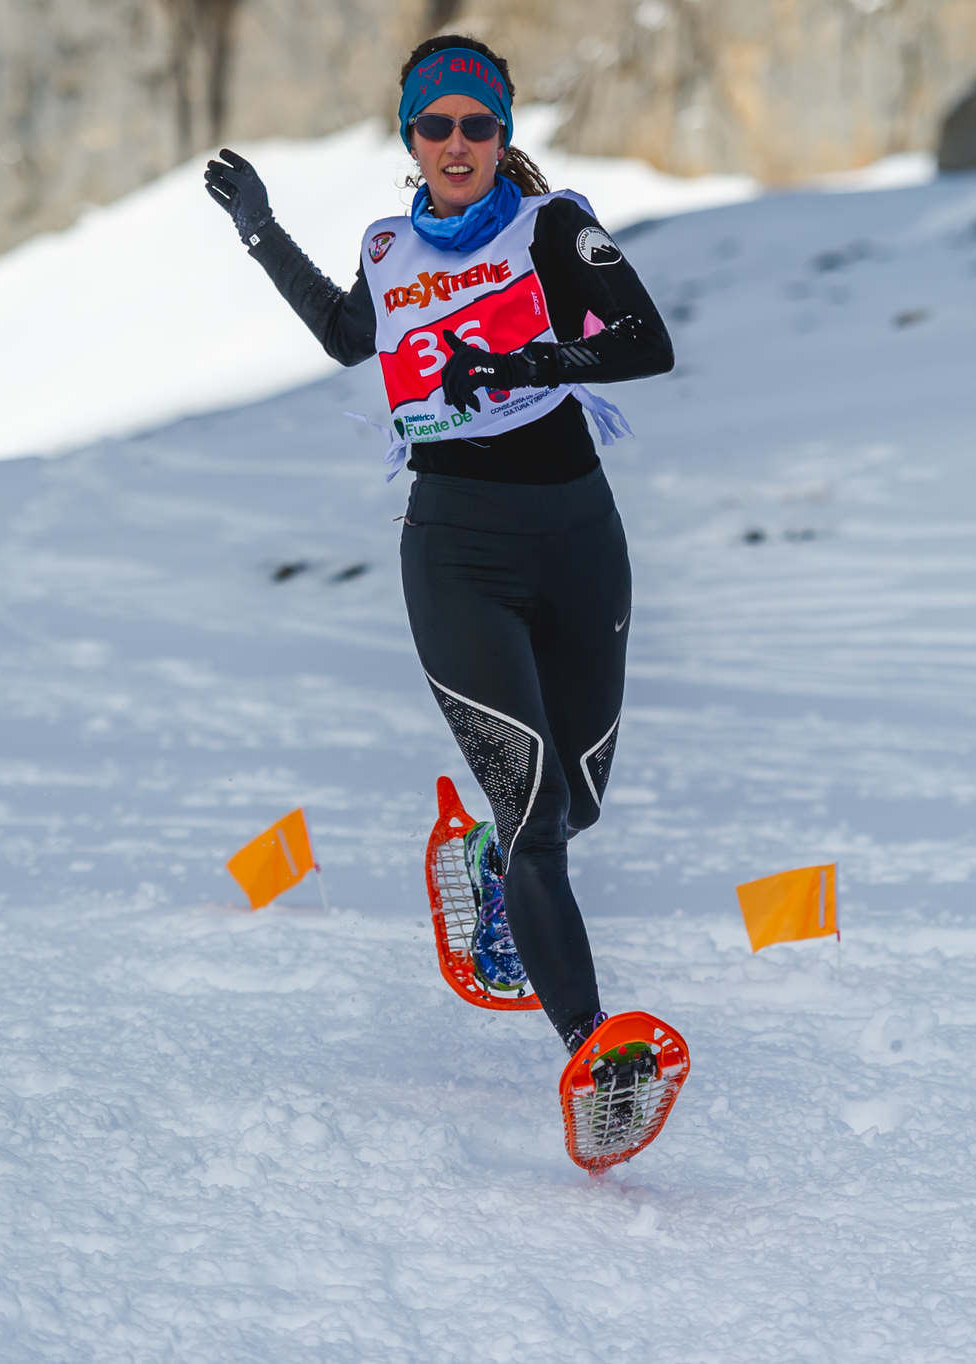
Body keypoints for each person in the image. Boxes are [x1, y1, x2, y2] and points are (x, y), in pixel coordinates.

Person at [203, 35, 679, 1139]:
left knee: (579, 799)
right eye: (435, 127)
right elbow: (344, 336)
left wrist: (526, 363)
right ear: (409, 140)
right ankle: (594, 1051)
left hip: (577, 535)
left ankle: (487, 864)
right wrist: (261, 231)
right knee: (539, 815)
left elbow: (644, 343)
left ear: (502, 133)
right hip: (455, 546)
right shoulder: (385, 244)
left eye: (476, 124)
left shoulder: (550, 227)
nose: (457, 145)